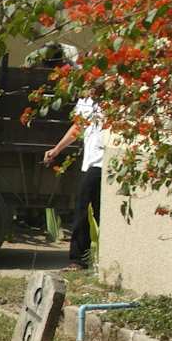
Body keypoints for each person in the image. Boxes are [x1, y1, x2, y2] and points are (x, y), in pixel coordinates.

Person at [44, 96, 104, 269]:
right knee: (83, 210)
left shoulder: (115, 97)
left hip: (104, 162)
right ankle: (78, 259)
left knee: (95, 212)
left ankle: (82, 259)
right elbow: (78, 127)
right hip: (91, 162)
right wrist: (57, 150)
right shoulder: (85, 100)